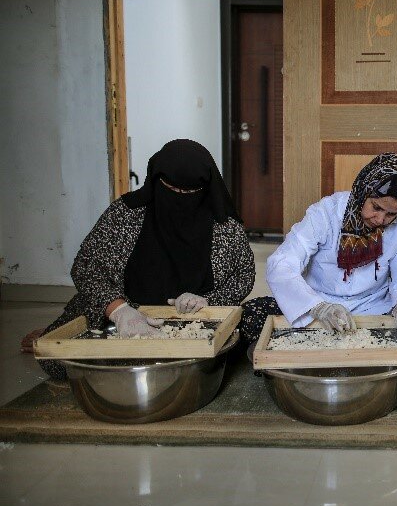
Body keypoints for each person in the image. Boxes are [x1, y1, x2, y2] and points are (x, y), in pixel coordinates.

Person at [29, 139, 255, 379]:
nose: (180, 198)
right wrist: (119, 310)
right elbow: (86, 266)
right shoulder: (126, 214)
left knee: (217, 356)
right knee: (57, 360)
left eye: (189, 192)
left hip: (194, 323)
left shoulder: (224, 226)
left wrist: (208, 300)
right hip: (124, 316)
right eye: (171, 189)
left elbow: (243, 275)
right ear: (156, 180)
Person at [238, 153, 397, 347]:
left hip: (373, 308)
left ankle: (329, 349)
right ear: (363, 192)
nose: (380, 220)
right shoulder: (326, 213)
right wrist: (318, 307)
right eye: (376, 207)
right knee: (250, 316)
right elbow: (282, 263)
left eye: (391, 214)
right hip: (319, 307)